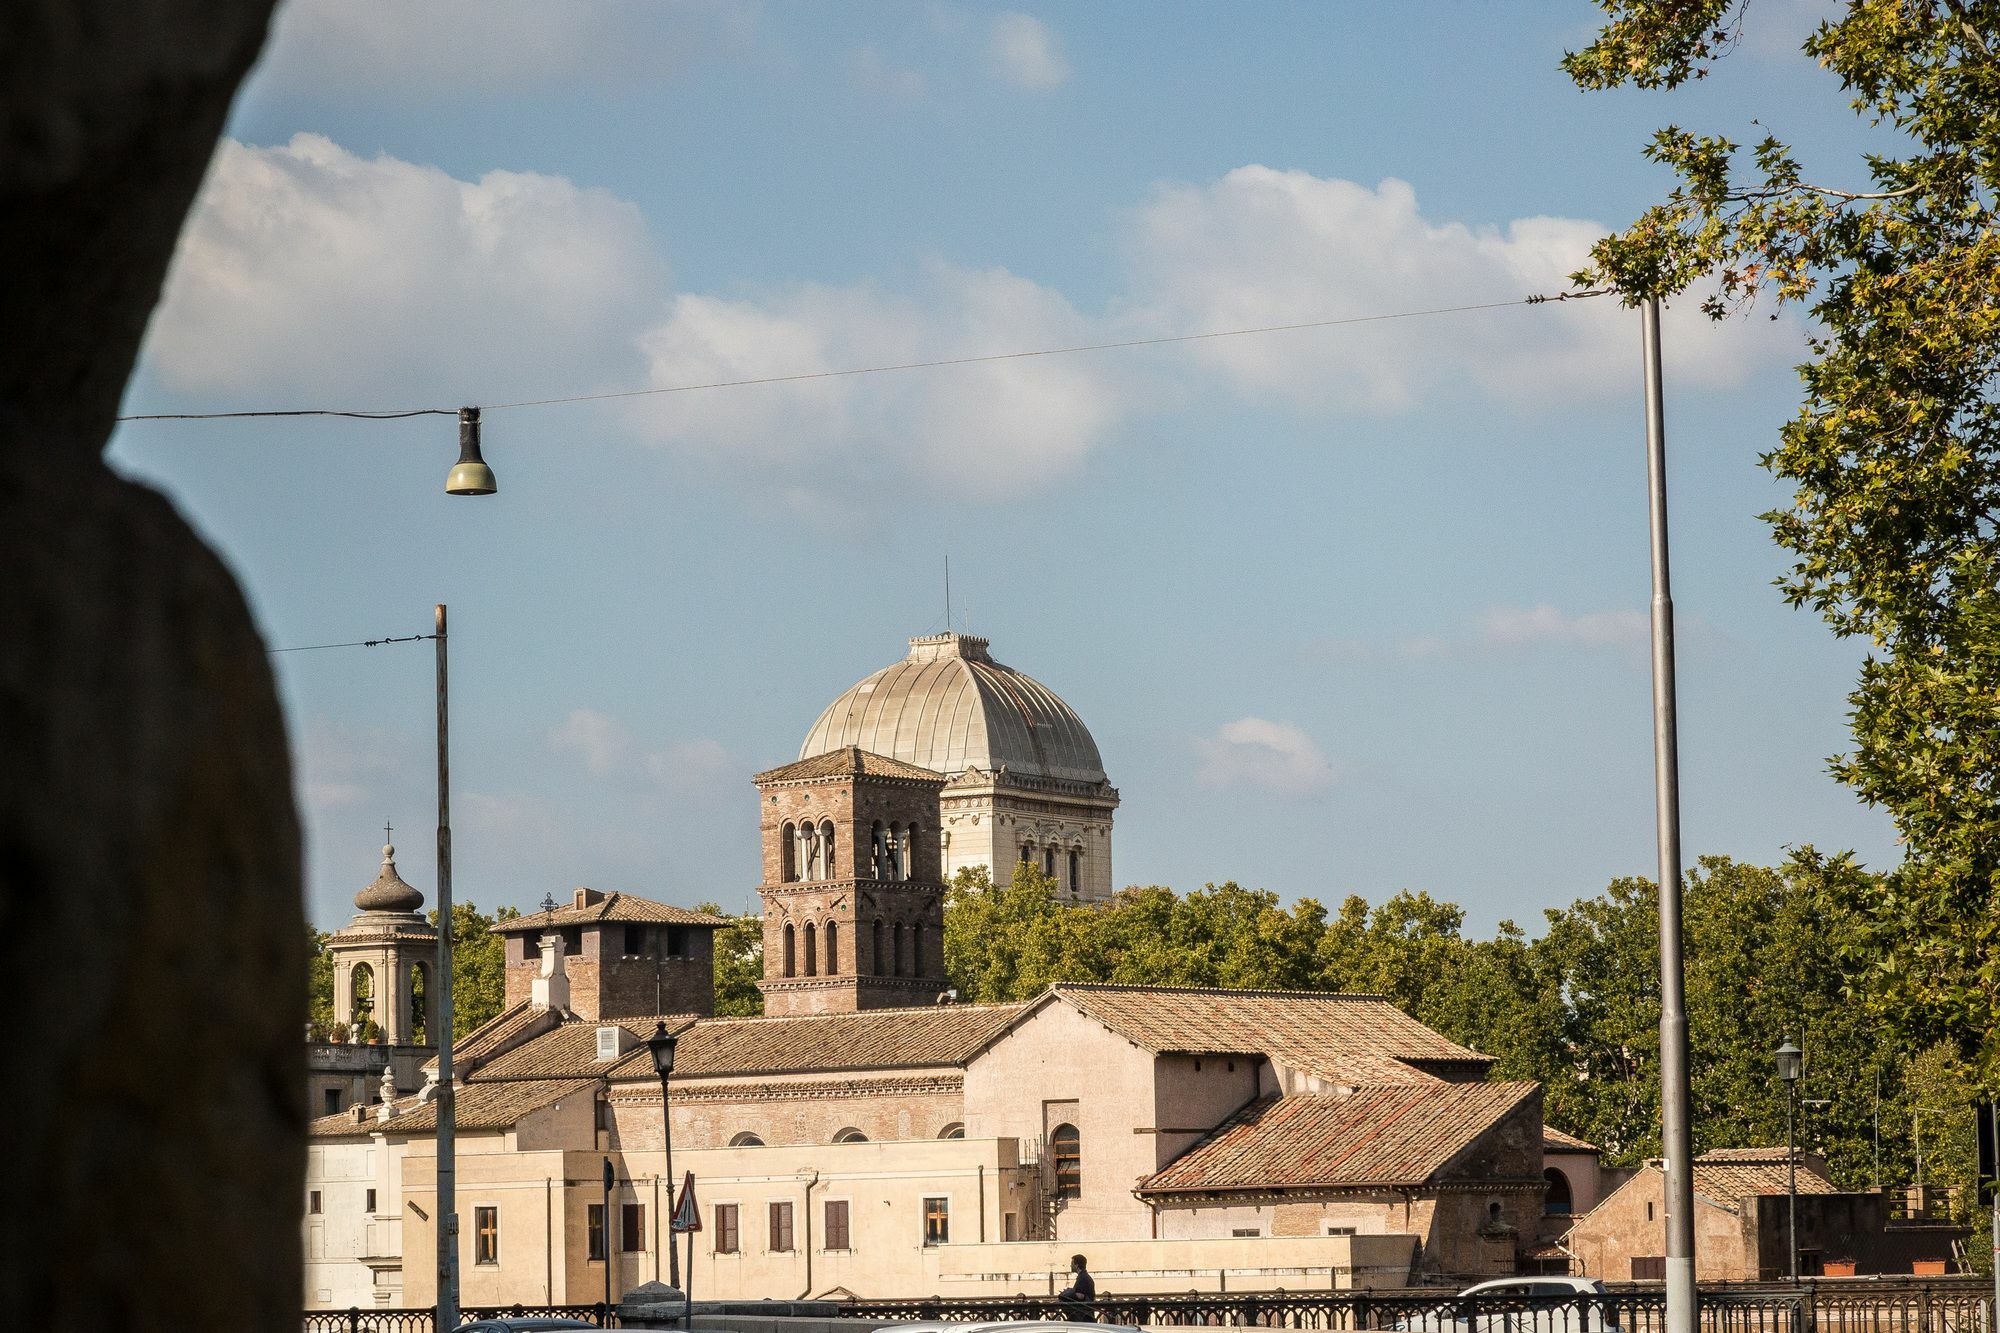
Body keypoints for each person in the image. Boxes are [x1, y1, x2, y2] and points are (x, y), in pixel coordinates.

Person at [1056, 1253, 1096, 1323]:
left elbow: (1080, 1295)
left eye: (1072, 1263)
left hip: (1083, 1317)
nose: (1070, 1265)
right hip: (1085, 1316)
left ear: (1077, 1265)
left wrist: (1067, 1294)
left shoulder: (1082, 1278)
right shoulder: (1085, 1277)